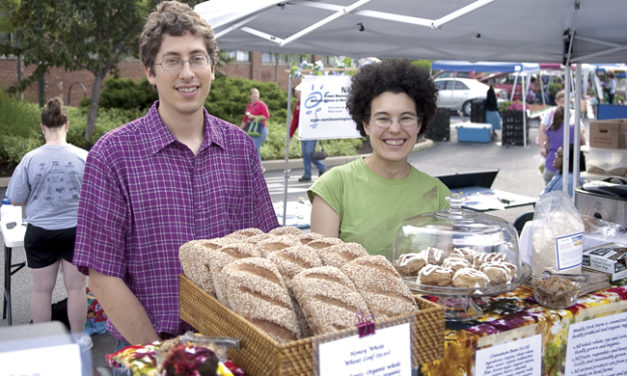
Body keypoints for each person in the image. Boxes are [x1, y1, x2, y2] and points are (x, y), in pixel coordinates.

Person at [73, 1, 278, 350]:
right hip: (150, 351)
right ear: (150, 72)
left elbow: (265, 250)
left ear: (212, 68)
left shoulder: (241, 148)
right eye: (172, 60)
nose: (187, 72)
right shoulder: (113, 156)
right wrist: (163, 357)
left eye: (197, 58)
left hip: (236, 351)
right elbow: (103, 275)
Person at [308, 60, 451, 258]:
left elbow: (442, 272)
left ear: (419, 124)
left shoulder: (439, 195)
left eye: (406, 118)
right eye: (383, 118)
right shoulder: (333, 187)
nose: (394, 129)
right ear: (365, 124)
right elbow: (323, 273)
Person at [6, 97, 91, 348]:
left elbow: (16, 199)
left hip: (40, 231)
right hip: (75, 231)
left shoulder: (30, 159)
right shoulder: (83, 157)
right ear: (66, 124)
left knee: (41, 290)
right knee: (76, 289)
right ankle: (79, 340)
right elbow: (96, 197)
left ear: (42, 126)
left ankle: (44, 342)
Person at [540, 106, 586, 185]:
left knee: (549, 192)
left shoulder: (550, 129)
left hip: (550, 163)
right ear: (569, 116)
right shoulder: (574, 128)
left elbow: (547, 145)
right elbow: (583, 142)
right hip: (569, 164)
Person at [289, 89, 326, 182]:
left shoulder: (311, 103)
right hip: (303, 133)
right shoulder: (297, 105)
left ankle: (321, 167)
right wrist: (289, 135)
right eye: (295, 94)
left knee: (309, 152)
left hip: (312, 132)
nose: (296, 95)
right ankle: (307, 174)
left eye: (298, 93)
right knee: (305, 154)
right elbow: (295, 122)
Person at [241, 87, 270, 162]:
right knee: (253, 148)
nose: (255, 97)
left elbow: (266, 116)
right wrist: (239, 130)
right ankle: (257, 168)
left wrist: (253, 117)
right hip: (251, 130)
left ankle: (258, 168)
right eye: (253, 95)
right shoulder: (249, 105)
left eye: (257, 95)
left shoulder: (261, 104)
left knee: (254, 148)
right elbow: (245, 119)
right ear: (249, 96)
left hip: (260, 130)